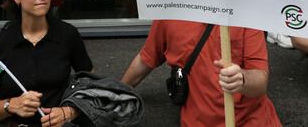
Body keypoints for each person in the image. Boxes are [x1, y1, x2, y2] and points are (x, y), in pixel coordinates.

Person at [0, 0, 93, 127]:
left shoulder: (67, 34)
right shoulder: (2, 42)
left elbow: (93, 86)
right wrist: (11, 105)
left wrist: (70, 111)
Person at [120, 21, 281, 126]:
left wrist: (242, 79)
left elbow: (261, 81)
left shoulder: (243, 13)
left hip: (250, 121)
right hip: (196, 122)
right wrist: (115, 93)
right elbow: (146, 59)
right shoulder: (171, 12)